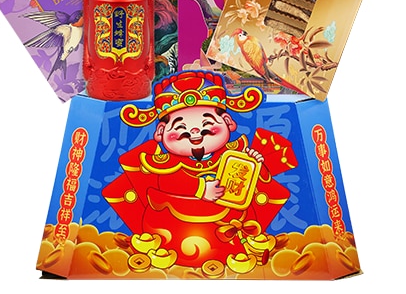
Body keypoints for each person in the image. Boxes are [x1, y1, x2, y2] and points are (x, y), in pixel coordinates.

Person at [102, 71, 297, 270]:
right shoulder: (164, 163)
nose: (194, 132)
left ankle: (240, 252)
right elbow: (166, 181)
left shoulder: (232, 156)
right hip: (173, 228)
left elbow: (248, 186)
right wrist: (200, 188)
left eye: (206, 124)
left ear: (228, 122)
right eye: (181, 127)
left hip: (226, 228)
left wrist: (255, 166)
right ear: (160, 132)